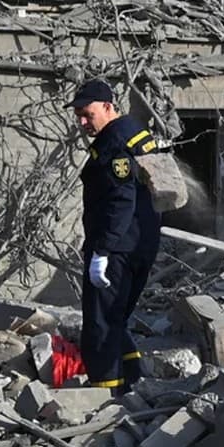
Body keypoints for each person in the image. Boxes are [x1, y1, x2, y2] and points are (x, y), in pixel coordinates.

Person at [72, 79, 162, 395]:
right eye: (78, 116)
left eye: (88, 114)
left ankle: (103, 392)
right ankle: (131, 379)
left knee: (101, 321)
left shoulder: (114, 142)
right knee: (118, 317)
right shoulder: (138, 133)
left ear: (108, 107)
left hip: (118, 247)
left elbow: (121, 198)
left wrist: (103, 250)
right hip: (142, 242)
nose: (83, 122)